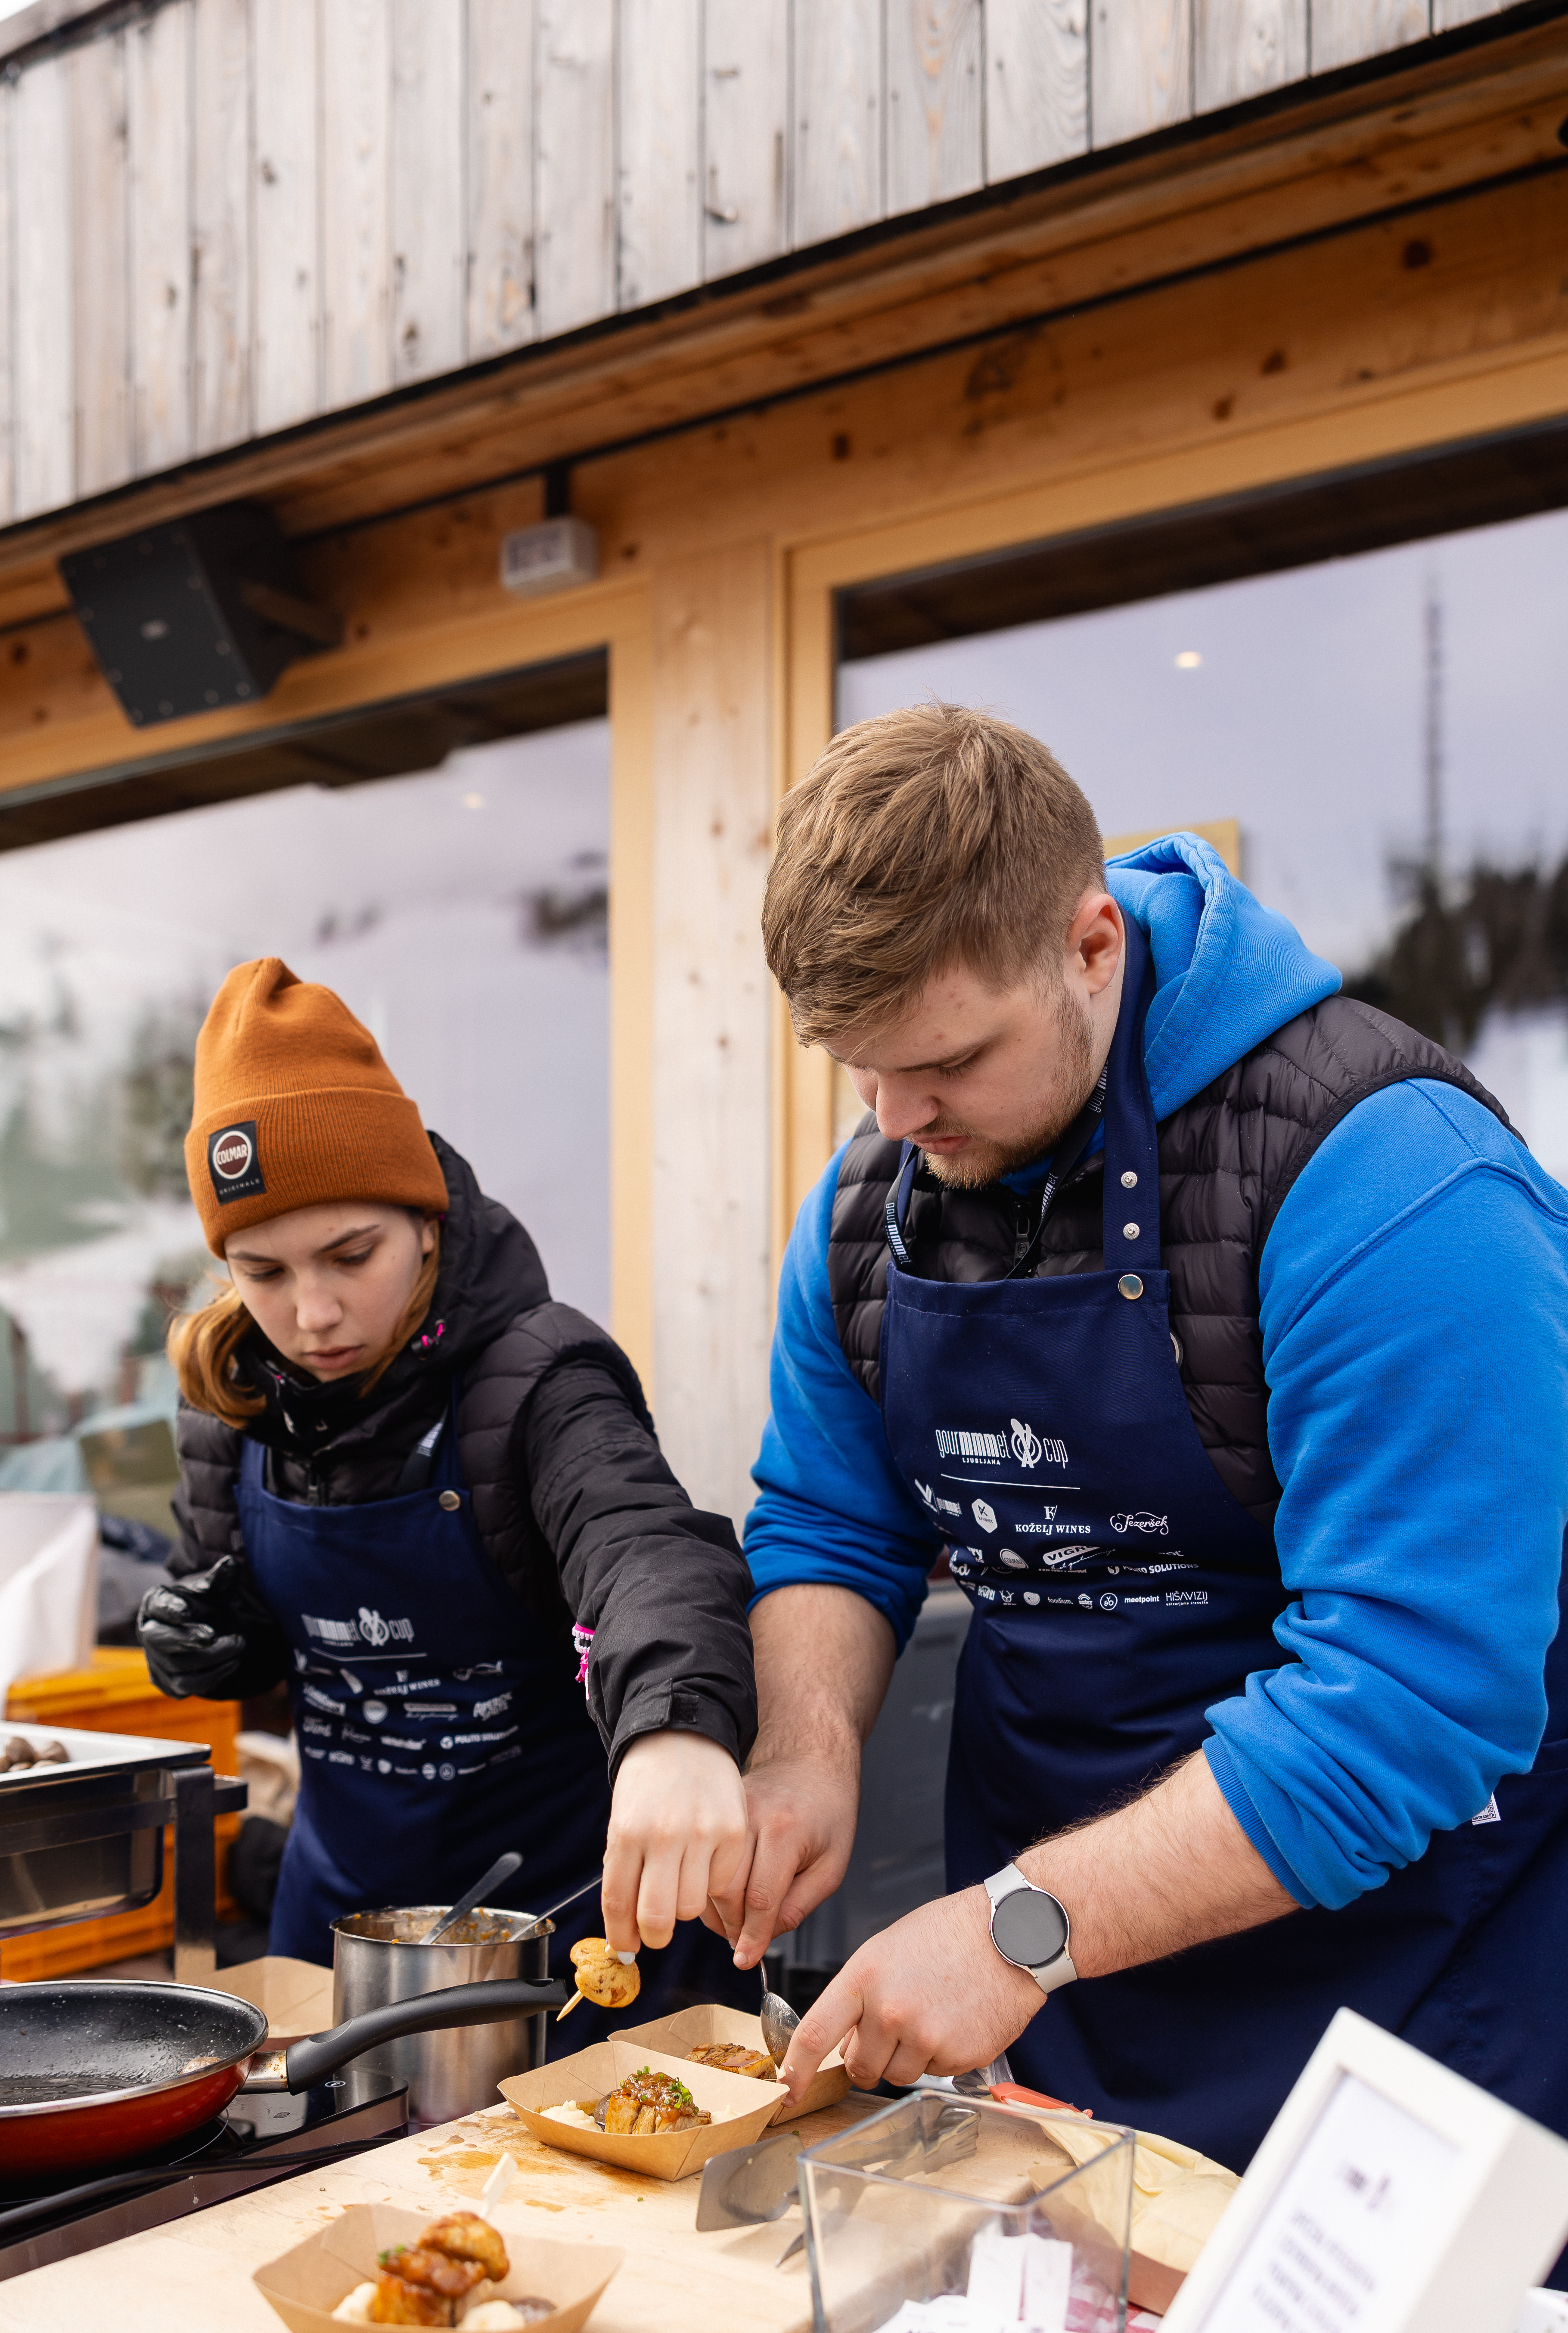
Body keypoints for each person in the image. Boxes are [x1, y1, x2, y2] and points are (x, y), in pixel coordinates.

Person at [727, 703, 1568, 2168]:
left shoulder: (1393, 1190)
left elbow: (1408, 1698)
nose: (897, 1115)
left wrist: (1013, 1931)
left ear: (1092, 944)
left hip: (1415, 2007)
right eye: (857, 1066)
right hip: (1056, 2005)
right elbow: (830, 1522)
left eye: (948, 1061)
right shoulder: (871, 1201)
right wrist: (804, 1756)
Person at [139, 958, 752, 2031]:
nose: (312, 1312)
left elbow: (647, 1551)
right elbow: (245, 1619)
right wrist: (216, 1638)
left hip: (569, 1949)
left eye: (349, 1253)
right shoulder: (229, 1403)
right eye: (262, 1272)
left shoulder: (537, 1380)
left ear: (424, 1219)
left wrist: (676, 1731)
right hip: (334, 1947)